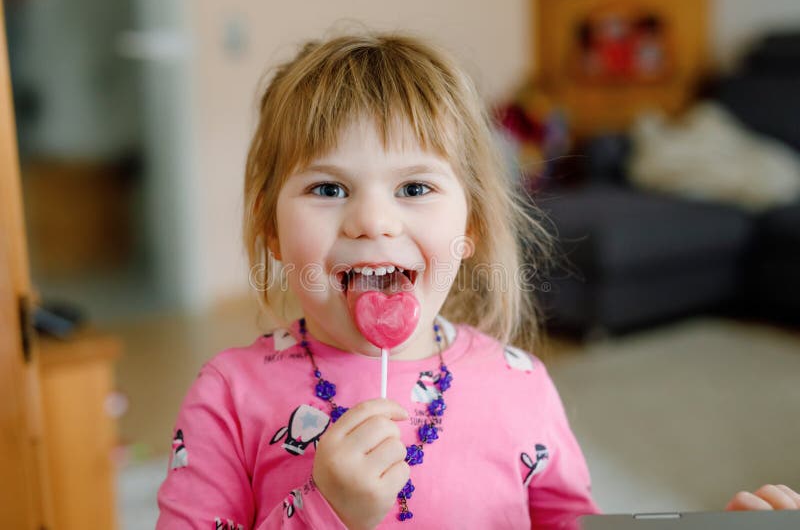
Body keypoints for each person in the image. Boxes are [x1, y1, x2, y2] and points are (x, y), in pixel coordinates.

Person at [156, 31, 800, 529]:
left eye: (414, 187)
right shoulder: (229, 396)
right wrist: (325, 510)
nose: (373, 220)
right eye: (328, 188)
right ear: (271, 229)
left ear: (470, 232)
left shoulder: (519, 384)